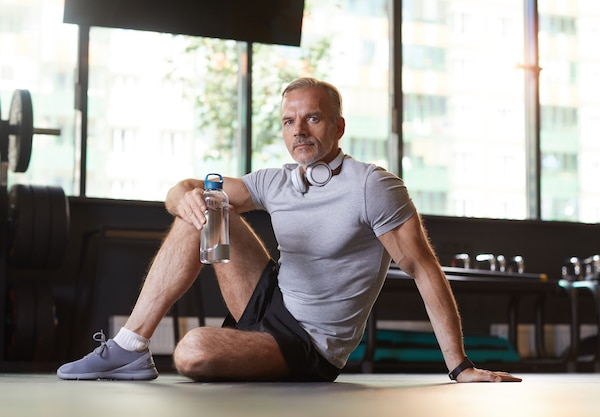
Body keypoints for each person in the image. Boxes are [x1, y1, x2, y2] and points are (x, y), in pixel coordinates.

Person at [57, 77, 522, 383]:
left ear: (338, 127)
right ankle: (130, 346)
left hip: (309, 344)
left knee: (191, 352)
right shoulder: (277, 181)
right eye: (289, 121)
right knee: (206, 202)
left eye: (312, 118)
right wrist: (182, 195)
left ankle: (180, 348)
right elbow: (192, 188)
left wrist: (459, 366)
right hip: (268, 302)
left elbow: (424, 269)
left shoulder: (372, 186)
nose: (299, 130)